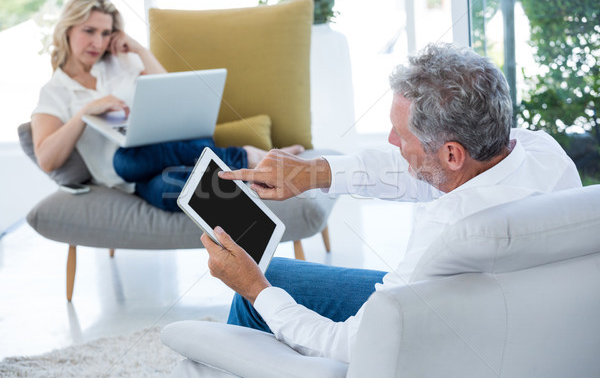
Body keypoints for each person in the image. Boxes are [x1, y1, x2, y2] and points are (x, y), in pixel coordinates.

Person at [200, 43, 582, 363]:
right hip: (494, 318)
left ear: (451, 153)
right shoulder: (539, 151)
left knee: (260, 288)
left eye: (401, 134)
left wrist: (254, 289)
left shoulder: (453, 229)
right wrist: (315, 172)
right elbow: (417, 172)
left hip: (440, 340)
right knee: (277, 272)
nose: (390, 141)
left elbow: (349, 345)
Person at [31, 0, 303, 211]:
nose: (98, 42)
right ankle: (247, 166)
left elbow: (173, 92)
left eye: (105, 33)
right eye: (89, 31)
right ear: (67, 29)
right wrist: (85, 113)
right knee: (163, 188)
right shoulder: (54, 92)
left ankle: (245, 159)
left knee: (138, 159)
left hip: (180, 145)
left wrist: (138, 48)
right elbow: (47, 159)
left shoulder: (120, 62)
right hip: (133, 176)